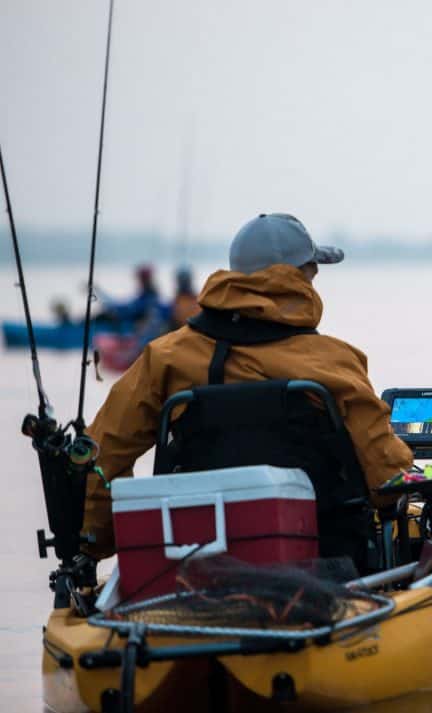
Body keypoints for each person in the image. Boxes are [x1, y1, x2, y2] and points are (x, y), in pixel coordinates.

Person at [81, 213, 414, 561]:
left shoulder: (165, 357)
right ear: (301, 278)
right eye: (313, 273)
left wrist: (94, 542)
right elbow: (387, 482)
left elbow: (102, 454)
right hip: (330, 564)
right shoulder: (337, 363)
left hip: (195, 565)